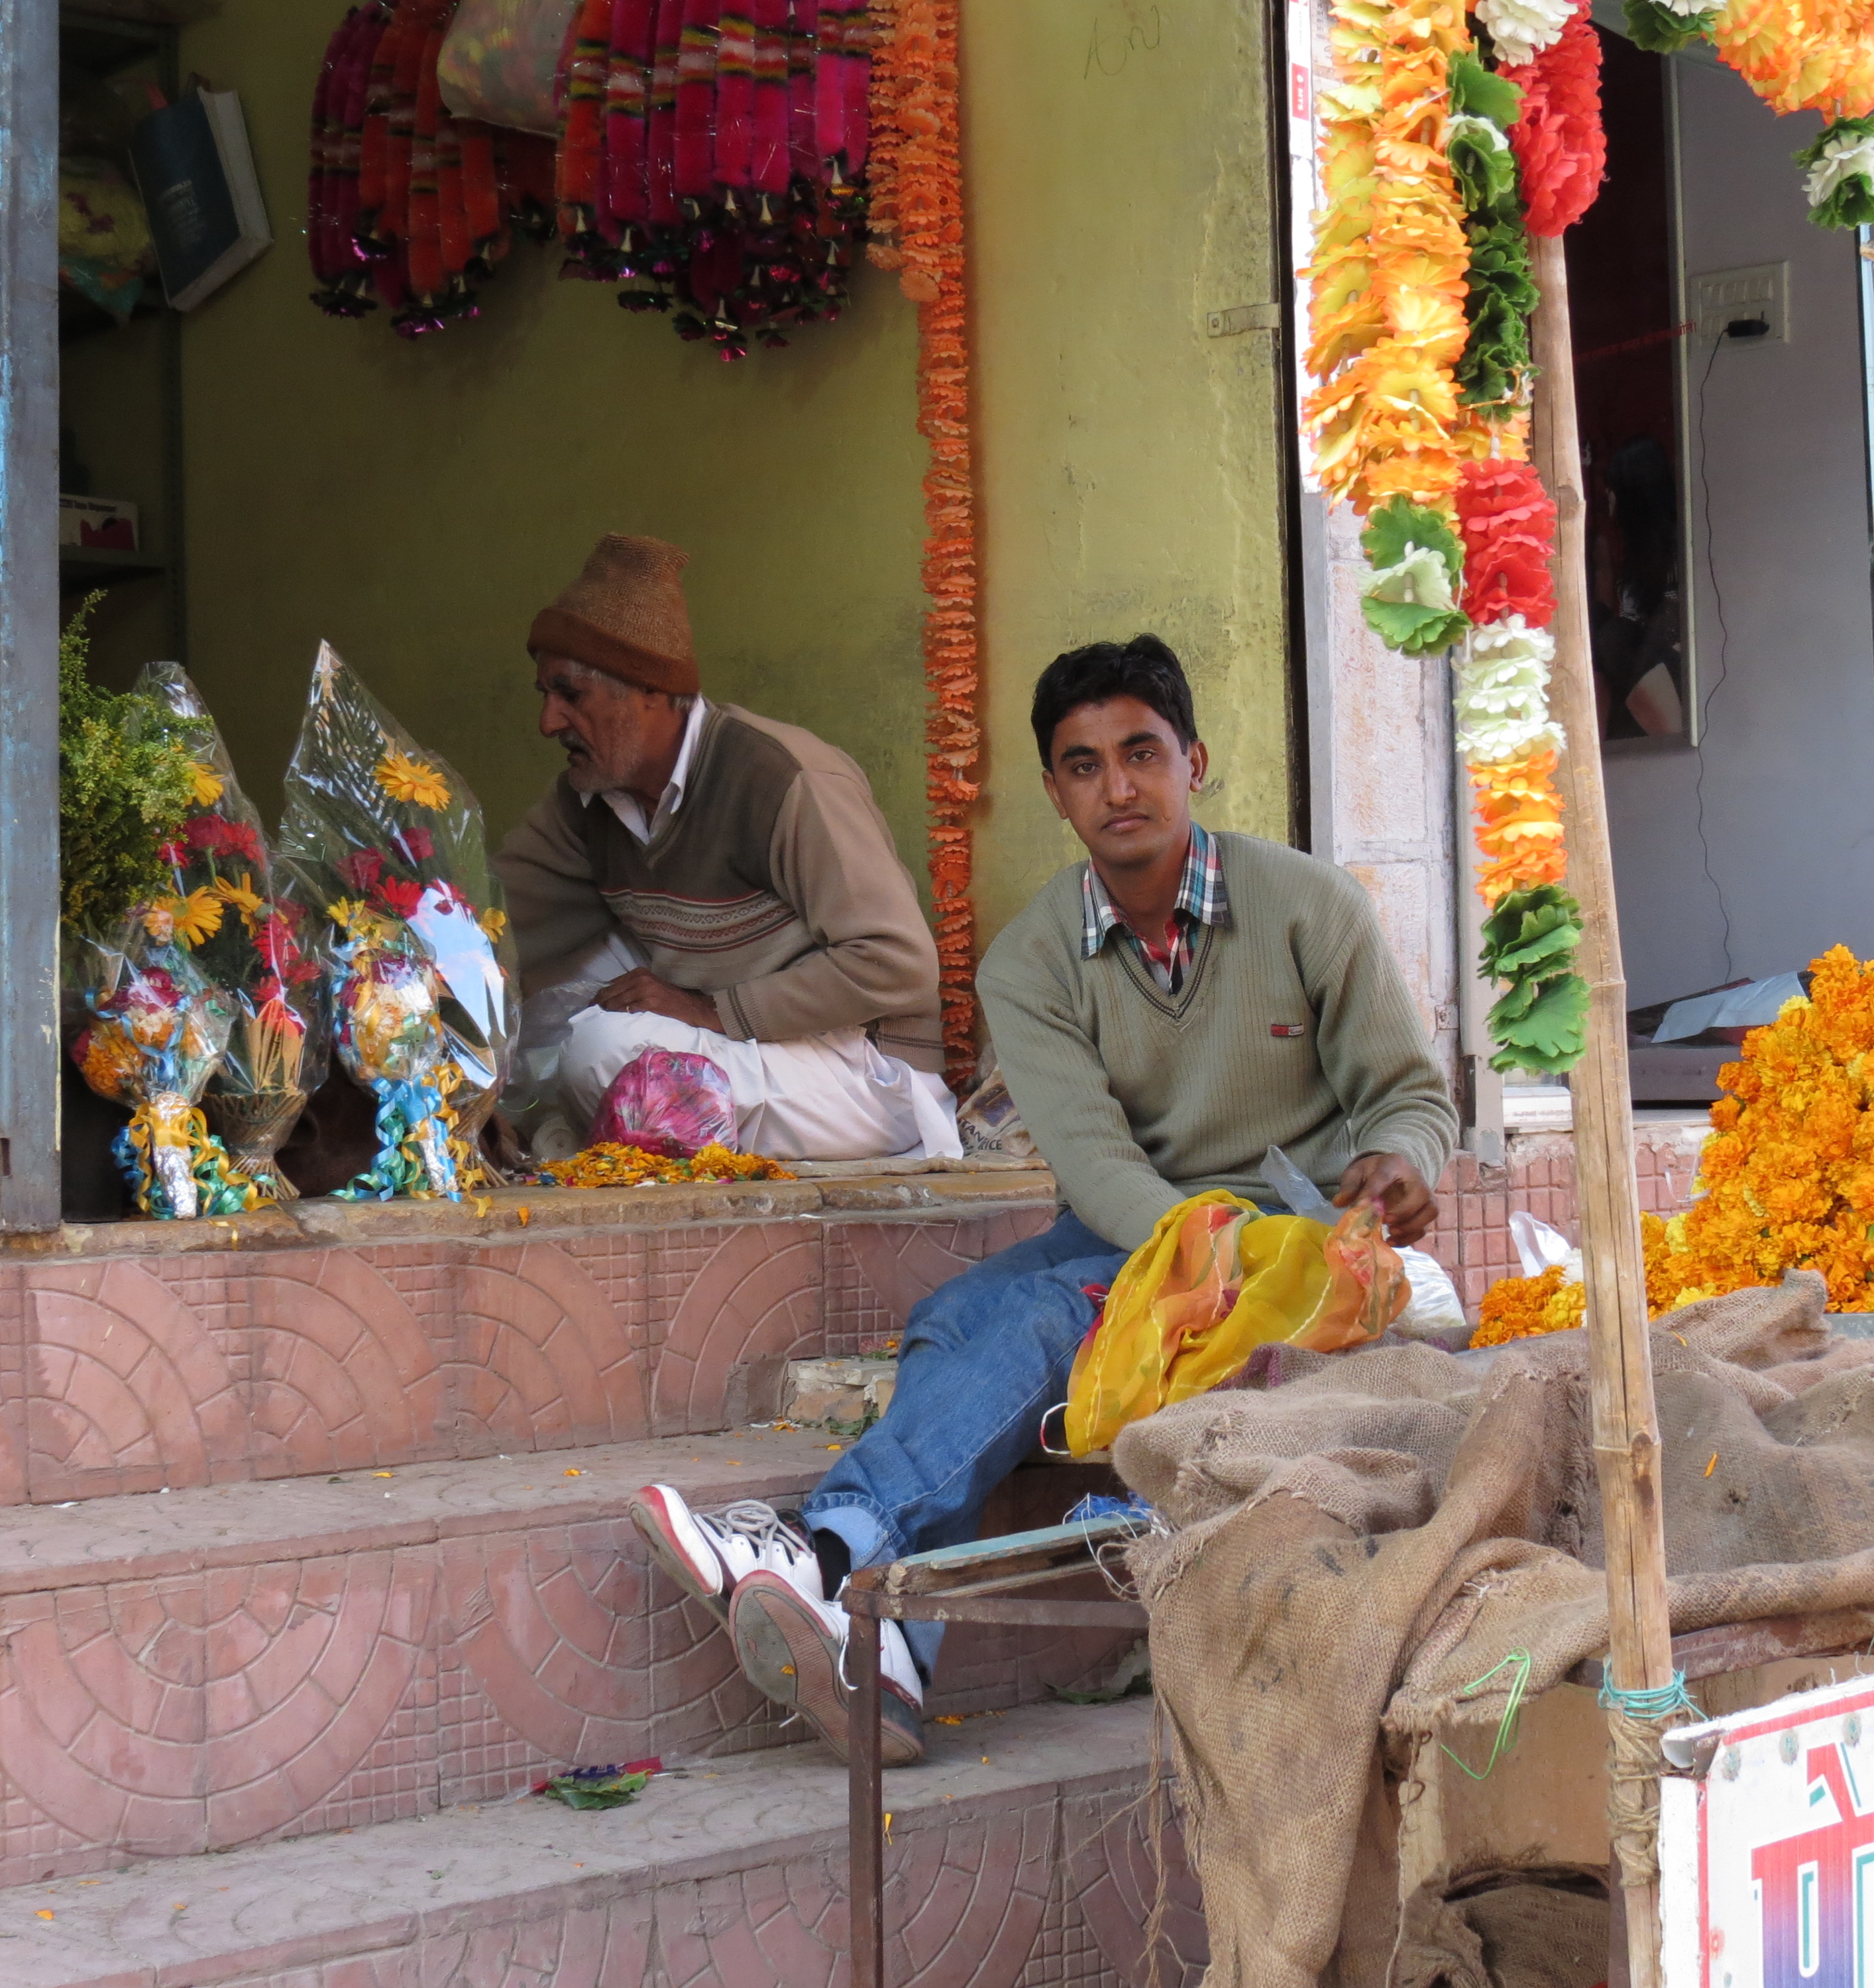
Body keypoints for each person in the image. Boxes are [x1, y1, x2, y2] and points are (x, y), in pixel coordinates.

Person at [628, 633, 1457, 1765]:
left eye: (1141, 752)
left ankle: (830, 1559)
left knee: (1021, 1316)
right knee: (960, 1316)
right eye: (1082, 764)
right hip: (1136, 1228)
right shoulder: (1028, 965)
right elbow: (1097, 1163)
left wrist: (1404, 1160)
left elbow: (1408, 1095)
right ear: (1057, 792)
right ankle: (889, 1637)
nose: (1118, 786)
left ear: (1194, 761)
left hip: (1296, 1253)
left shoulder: (1311, 907)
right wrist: (1185, 1254)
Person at [493, 533, 960, 1160]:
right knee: (531, 997)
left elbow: (897, 962)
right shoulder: (587, 801)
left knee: (599, 1050)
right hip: (730, 1051)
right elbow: (491, 912)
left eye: (569, 695)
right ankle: (595, 1139)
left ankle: (603, 1146)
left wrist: (712, 1009)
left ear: (648, 691)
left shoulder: (782, 778)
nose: (548, 722)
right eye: (545, 696)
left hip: (862, 1074)